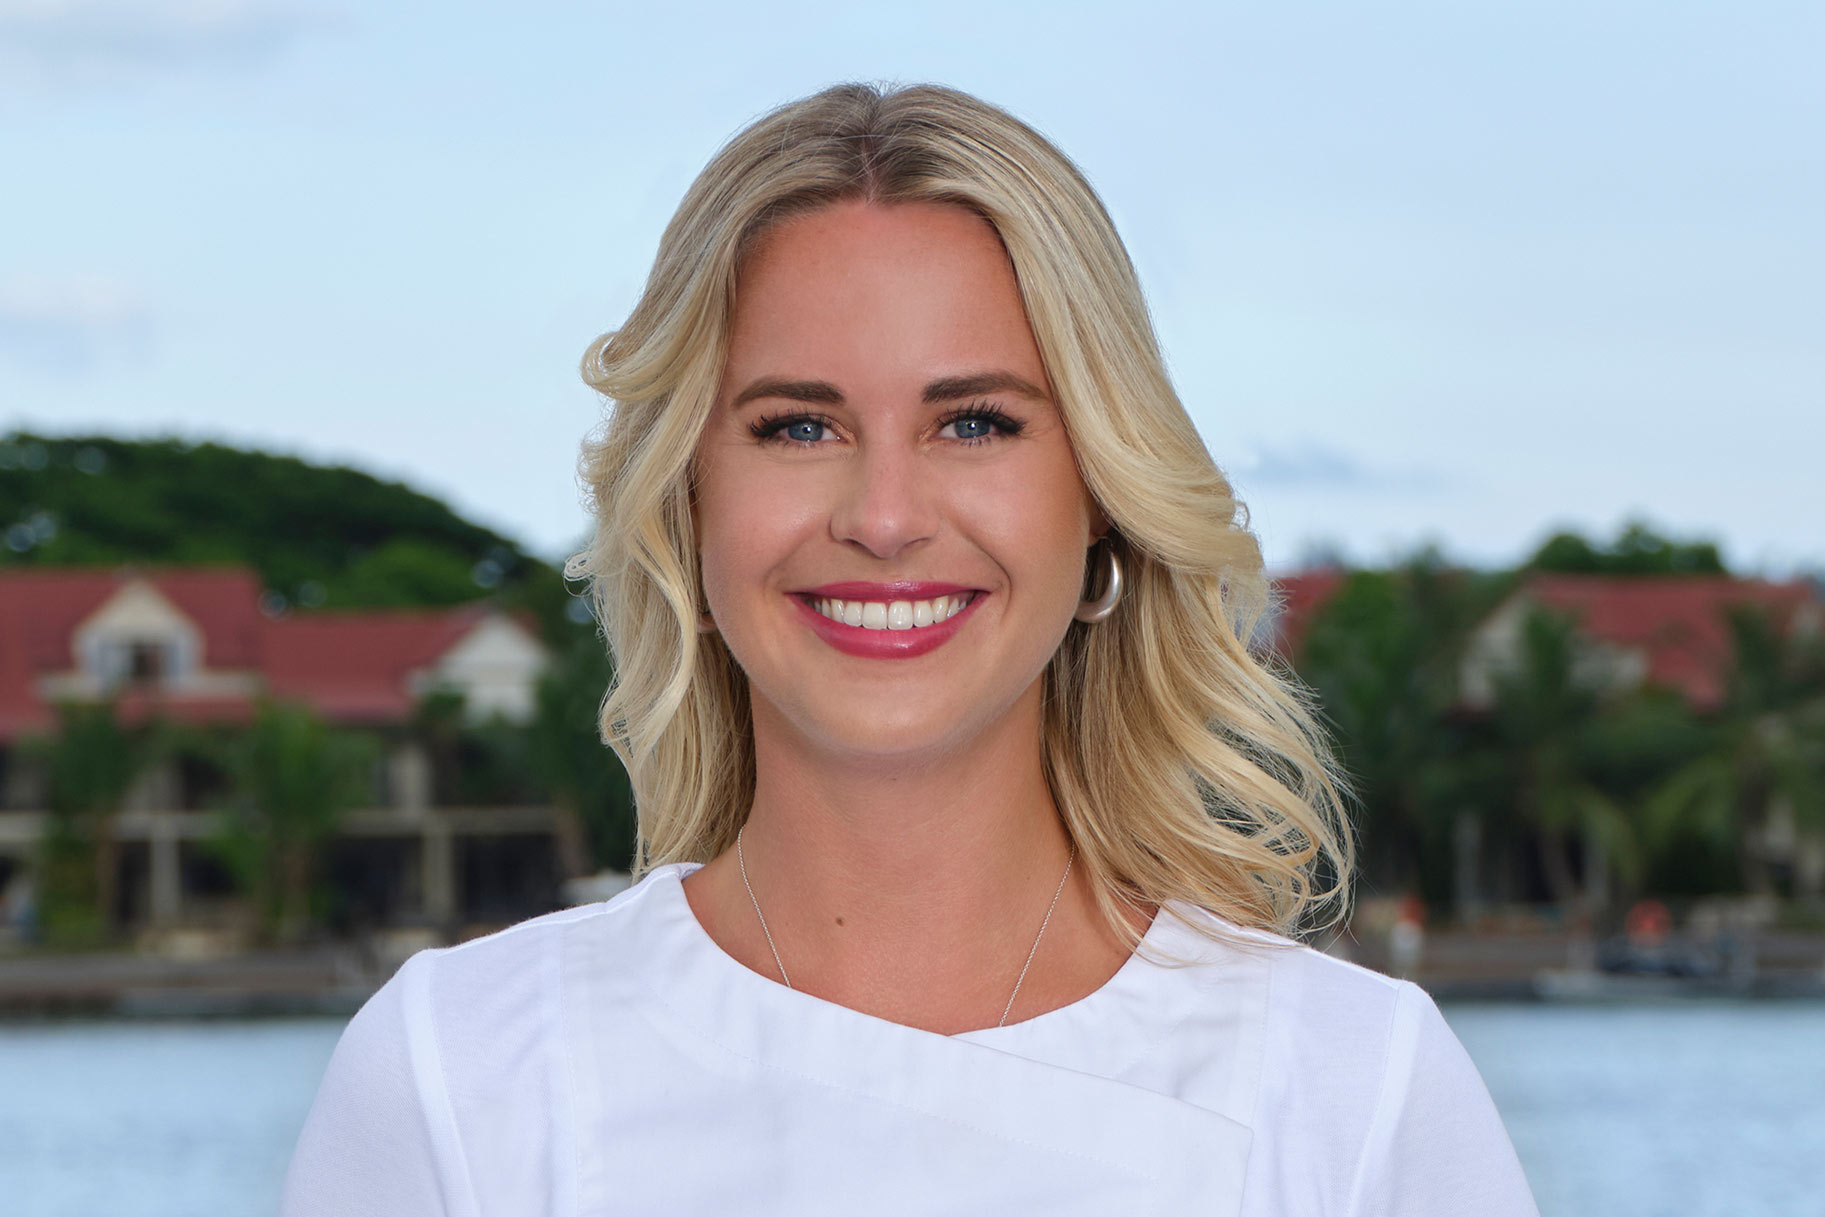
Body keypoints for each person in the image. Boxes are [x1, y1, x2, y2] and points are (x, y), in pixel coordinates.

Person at [282, 83, 1539, 1216]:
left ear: (1096, 497)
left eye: (975, 421)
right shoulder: (458, 1076)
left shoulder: (1356, 1085)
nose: (882, 517)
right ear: (687, 505)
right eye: (796, 426)